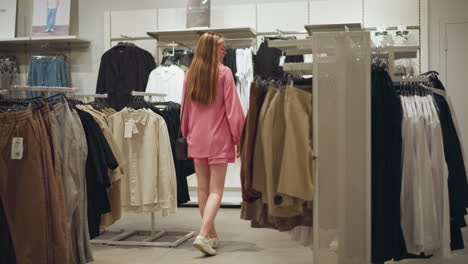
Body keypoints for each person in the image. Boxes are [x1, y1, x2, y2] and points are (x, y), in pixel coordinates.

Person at [181, 32, 245, 256]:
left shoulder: (190, 74)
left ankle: (211, 235)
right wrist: (239, 137)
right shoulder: (224, 73)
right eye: (222, 48)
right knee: (217, 190)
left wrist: (187, 133)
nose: (225, 52)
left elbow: (185, 110)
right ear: (212, 50)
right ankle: (202, 235)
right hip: (218, 138)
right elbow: (233, 110)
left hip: (196, 137)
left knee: (202, 189)